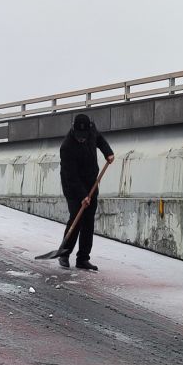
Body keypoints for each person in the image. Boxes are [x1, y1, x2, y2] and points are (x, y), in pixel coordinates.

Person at [57, 113, 115, 271]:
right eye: (78, 136)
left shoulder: (92, 130)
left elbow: (99, 139)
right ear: (73, 130)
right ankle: (64, 254)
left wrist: (108, 152)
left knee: (88, 221)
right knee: (76, 217)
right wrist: (82, 196)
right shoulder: (67, 147)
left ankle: (83, 258)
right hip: (72, 185)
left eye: (83, 136)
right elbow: (71, 176)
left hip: (91, 182)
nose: (81, 139)